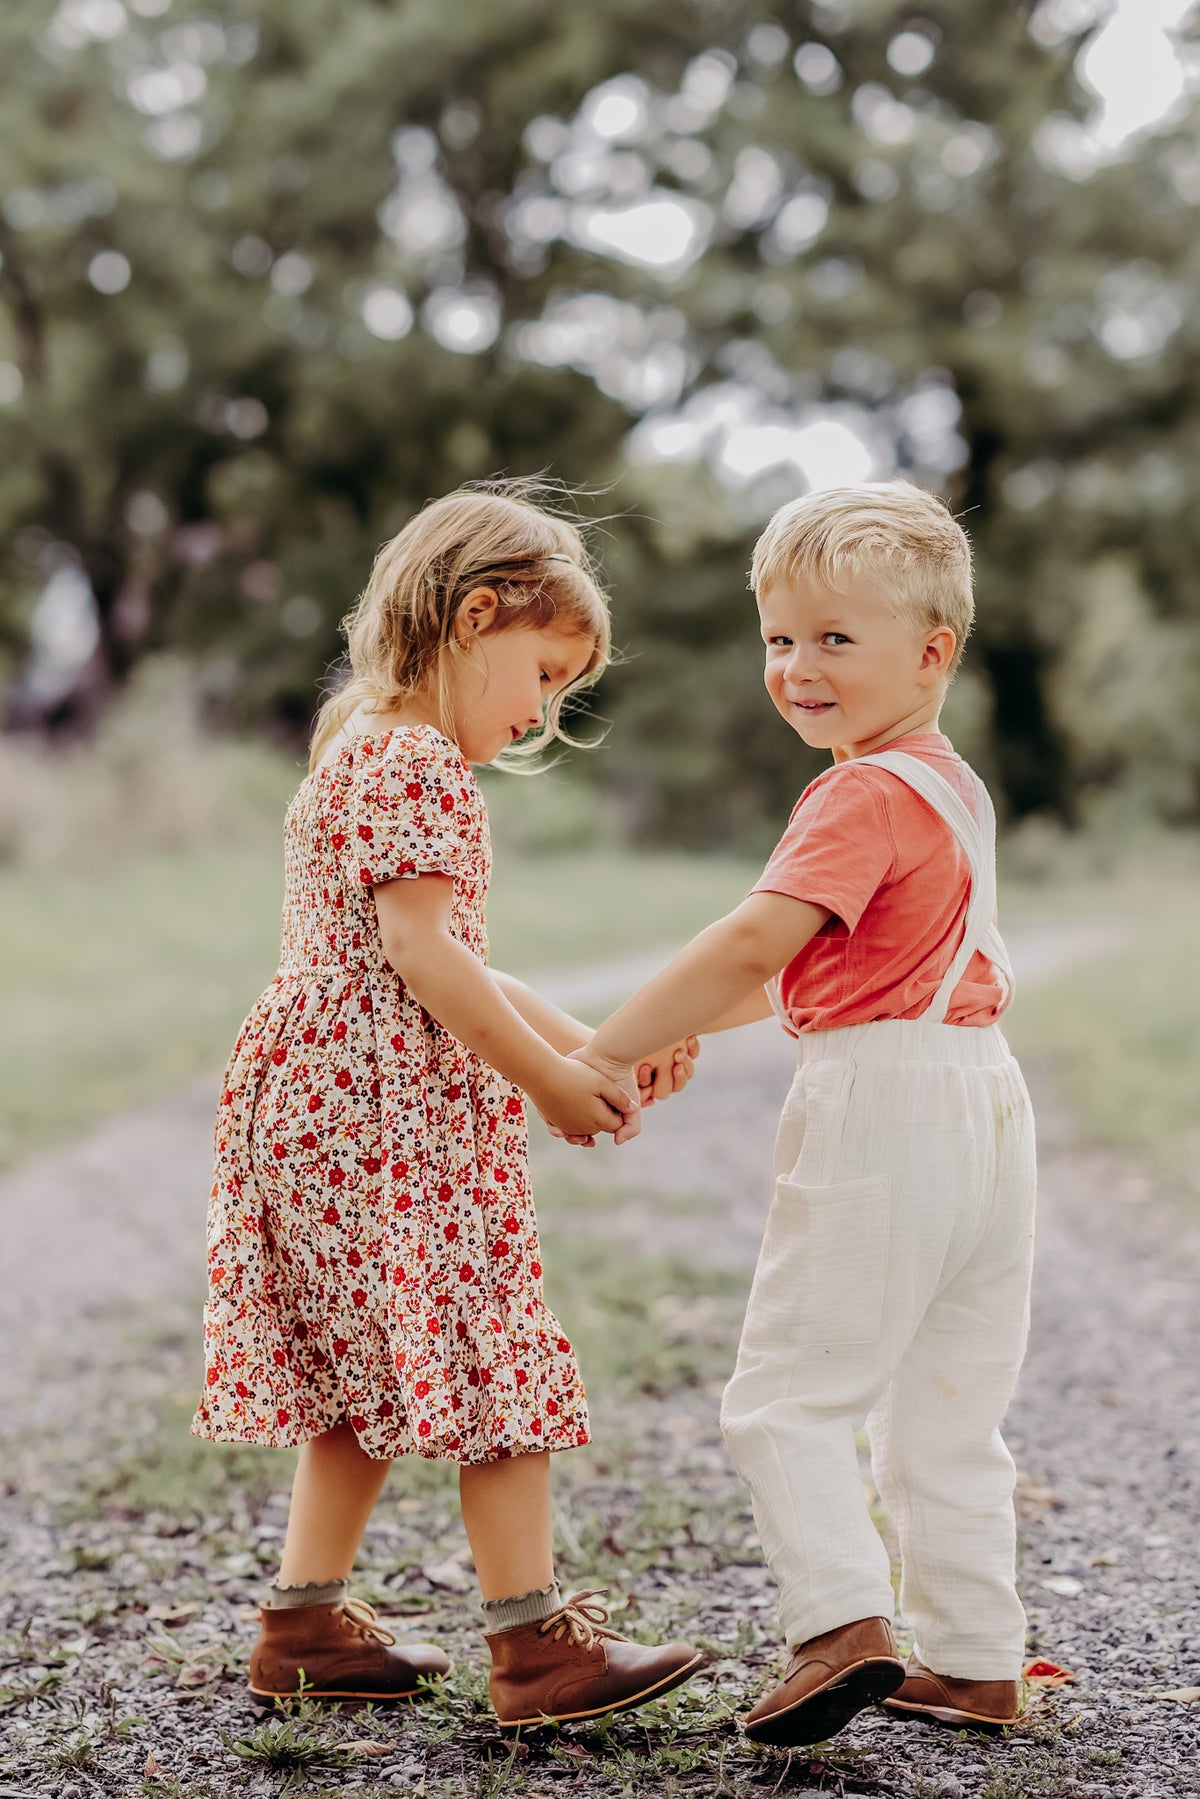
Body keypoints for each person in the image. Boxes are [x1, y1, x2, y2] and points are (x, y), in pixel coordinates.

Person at [192, 484, 707, 1729]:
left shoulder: (357, 737)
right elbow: (427, 961)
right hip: (378, 1121)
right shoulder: (416, 758)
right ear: (474, 616)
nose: (543, 710)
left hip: (318, 1103)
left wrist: (595, 1041)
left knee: (356, 1375)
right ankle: (535, 1650)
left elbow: (441, 953)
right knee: (493, 1350)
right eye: (542, 672)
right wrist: (548, 1084)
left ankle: (303, 1623)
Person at [577, 482, 1036, 1745]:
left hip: (882, 1103)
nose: (797, 666)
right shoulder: (951, 787)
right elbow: (829, 971)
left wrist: (601, 1047)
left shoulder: (857, 794)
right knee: (948, 1405)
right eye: (780, 637)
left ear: (932, 652)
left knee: (787, 1395)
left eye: (836, 638)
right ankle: (978, 1655)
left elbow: (752, 940)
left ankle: (840, 1625)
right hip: (981, 1098)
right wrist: (681, 1029)